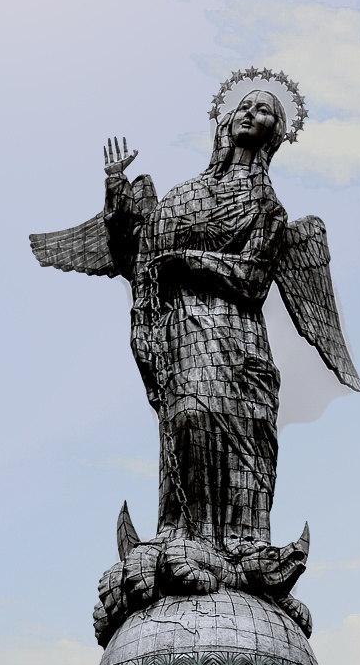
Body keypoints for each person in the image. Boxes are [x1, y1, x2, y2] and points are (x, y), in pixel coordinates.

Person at [102, 90, 290, 551]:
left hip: (234, 333)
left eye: (263, 109)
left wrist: (189, 261)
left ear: (276, 131)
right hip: (182, 330)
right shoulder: (186, 194)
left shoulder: (268, 208)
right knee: (186, 418)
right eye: (244, 105)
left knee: (236, 425)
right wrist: (116, 192)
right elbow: (142, 251)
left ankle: (243, 541)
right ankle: (181, 532)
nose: (250, 112)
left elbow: (252, 280)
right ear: (226, 121)